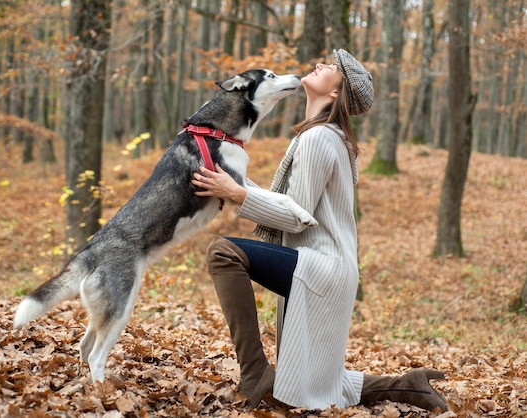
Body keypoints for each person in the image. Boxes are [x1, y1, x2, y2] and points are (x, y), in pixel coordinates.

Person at [190, 49, 448, 412]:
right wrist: (236, 183)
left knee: (223, 252)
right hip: (331, 266)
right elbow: (295, 202)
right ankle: (406, 385)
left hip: (321, 265)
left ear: (335, 94)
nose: (323, 64)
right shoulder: (326, 137)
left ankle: (255, 372)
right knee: (319, 380)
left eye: (333, 68)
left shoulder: (318, 139)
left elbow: (297, 216)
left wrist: (237, 194)